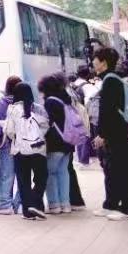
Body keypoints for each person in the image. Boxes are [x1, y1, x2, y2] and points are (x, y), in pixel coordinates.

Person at [91, 47, 128, 220]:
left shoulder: (110, 81)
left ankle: (126, 209)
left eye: (95, 59)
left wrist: (102, 134)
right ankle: (111, 204)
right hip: (119, 130)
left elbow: (107, 111)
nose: (93, 62)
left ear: (103, 62)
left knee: (118, 170)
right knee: (113, 169)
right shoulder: (113, 79)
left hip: (115, 133)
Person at [3, 81, 50, 220]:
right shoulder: (38, 108)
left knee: (23, 181)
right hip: (38, 148)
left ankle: (28, 211)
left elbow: (10, 131)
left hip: (20, 150)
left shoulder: (12, 109)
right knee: (41, 177)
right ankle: (37, 204)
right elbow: (46, 126)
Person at [40, 74, 79, 213]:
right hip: (68, 141)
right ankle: (65, 204)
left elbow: (47, 123)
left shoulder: (50, 102)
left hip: (55, 143)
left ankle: (54, 204)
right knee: (63, 172)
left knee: (50, 173)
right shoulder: (65, 99)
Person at [0, 75, 23, 215]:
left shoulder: (4, 103)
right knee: (23, 174)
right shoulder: (25, 102)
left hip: (7, 142)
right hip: (23, 143)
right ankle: (18, 203)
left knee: (6, 174)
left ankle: (4, 205)